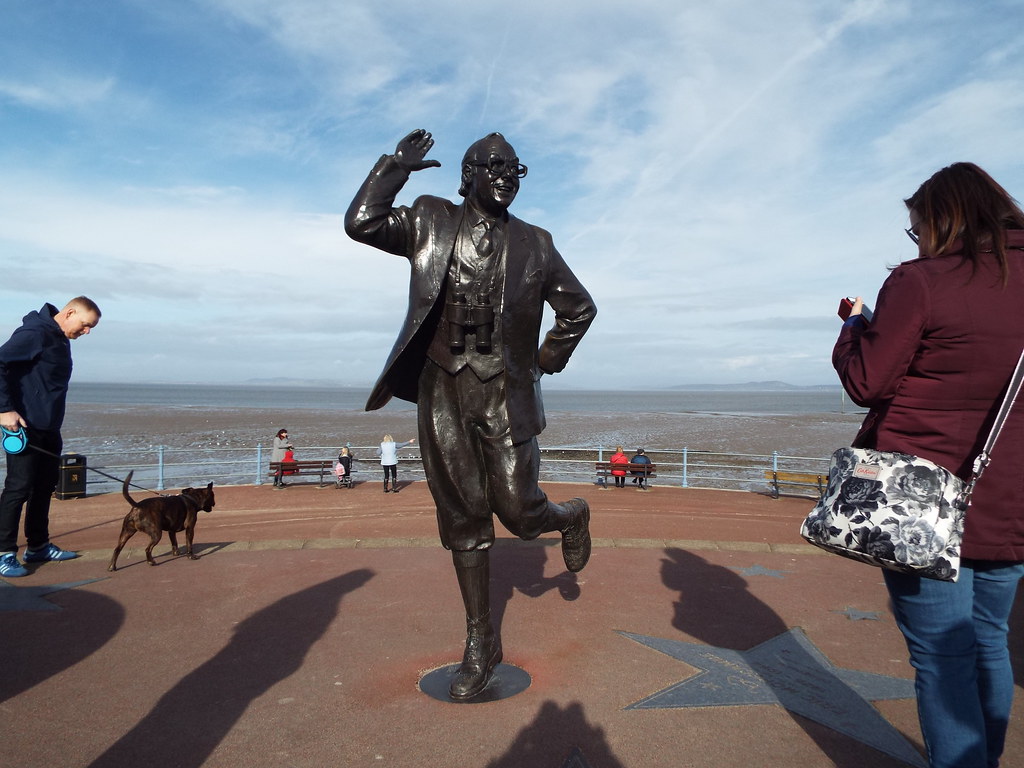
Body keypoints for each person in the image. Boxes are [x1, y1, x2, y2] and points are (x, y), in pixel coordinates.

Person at [345, 129, 596, 699]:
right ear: (468, 175)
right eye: (495, 166)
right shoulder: (430, 220)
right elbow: (361, 223)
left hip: (505, 392)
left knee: (520, 513)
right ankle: (481, 641)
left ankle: (571, 514)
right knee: (463, 518)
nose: (506, 176)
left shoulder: (536, 242)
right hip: (443, 387)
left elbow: (579, 308)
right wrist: (394, 169)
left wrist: (543, 361)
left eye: (515, 168)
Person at [834, 162, 1024, 768]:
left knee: (943, 657)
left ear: (941, 219)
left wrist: (853, 327)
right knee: (991, 641)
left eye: (917, 229)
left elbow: (868, 380)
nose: (916, 242)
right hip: (1012, 503)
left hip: (920, 498)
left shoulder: (923, 281)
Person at [0, 297, 101, 577]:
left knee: (44, 487)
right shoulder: (35, 333)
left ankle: (38, 546)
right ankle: (4, 552)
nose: (87, 332)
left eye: (90, 328)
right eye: (85, 325)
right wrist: (4, 410)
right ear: (69, 313)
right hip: (24, 425)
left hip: (49, 427)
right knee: (18, 488)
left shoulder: (60, 337)